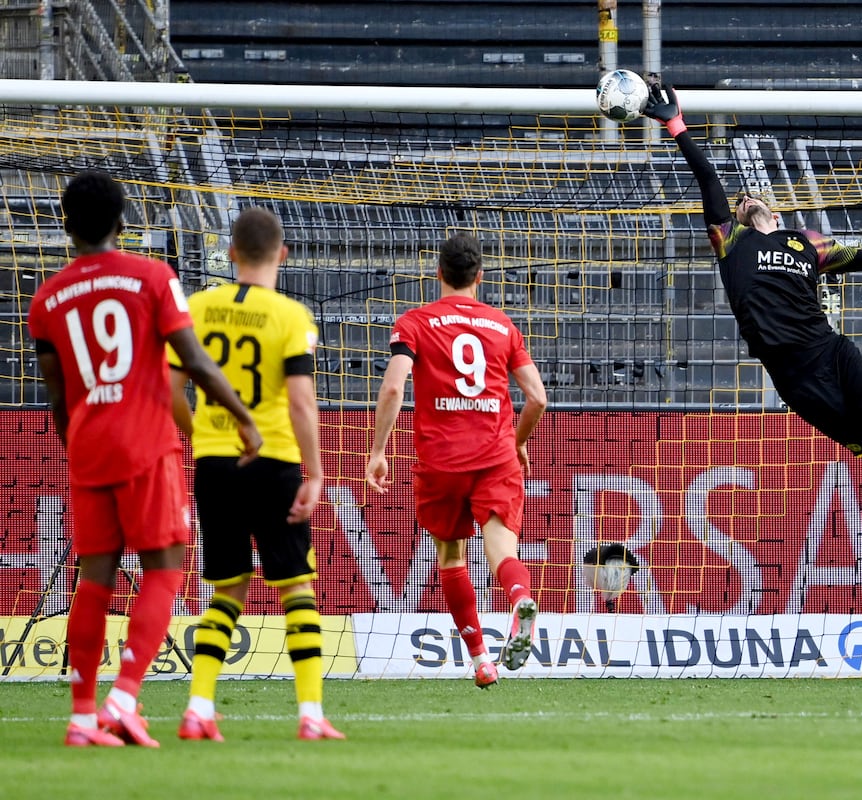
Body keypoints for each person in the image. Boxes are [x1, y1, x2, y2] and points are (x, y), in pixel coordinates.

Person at [643, 80, 862, 532]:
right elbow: (708, 179)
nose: (742, 200)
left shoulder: (807, 243)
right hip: (794, 378)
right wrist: (676, 124)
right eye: (737, 204)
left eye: (750, 198)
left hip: (831, 351)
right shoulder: (731, 241)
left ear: (775, 213)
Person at [27, 170, 263, 748]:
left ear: (64, 225)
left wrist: (76, 446)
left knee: (93, 581)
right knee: (163, 568)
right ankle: (125, 697)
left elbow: (56, 397)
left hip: (87, 447)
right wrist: (241, 416)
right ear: (123, 221)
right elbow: (198, 364)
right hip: (145, 441)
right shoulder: (153, 277)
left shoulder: (45, 298)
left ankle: (83, 719)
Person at [168, 207, 344, 741]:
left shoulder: (197, 306)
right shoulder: (292, 316)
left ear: (231, 254)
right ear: (283, 255)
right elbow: (300, 401)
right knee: (296, 589)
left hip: (216, 460)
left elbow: (169, 386)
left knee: (226, 591)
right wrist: (314, 473)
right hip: (275, 463)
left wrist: (199, 433)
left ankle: (199, 707)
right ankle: (311, 715)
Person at [366, 232, 548, 687]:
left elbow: (393, 387)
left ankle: (481, 659)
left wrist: (378, 450)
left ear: (438, 274)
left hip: (442, 461)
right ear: (480, 277)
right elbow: (537, 398)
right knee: (502, 549)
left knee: (451, 557)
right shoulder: (503, 326)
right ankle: (520, 597)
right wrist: (519, 441)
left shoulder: (415, 323)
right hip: (495, 455)